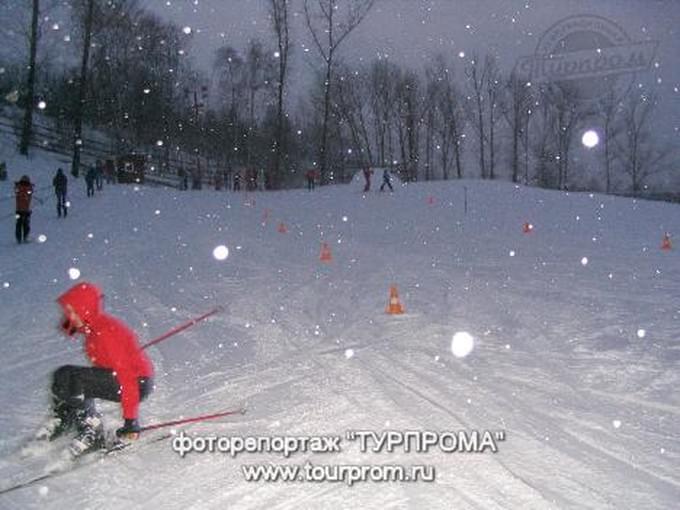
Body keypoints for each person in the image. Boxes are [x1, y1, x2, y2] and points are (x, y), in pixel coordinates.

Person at [35, 282, 154, 456]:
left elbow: (126, 377)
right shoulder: (93, 327)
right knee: (62, 375)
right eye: (69, 312)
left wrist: (131, 422)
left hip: (136, 383)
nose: (70, 316)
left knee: (75, 378)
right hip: (119, 377)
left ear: (86, 311)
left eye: (74, 312)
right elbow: (78, 327)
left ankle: (93, 432)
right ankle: (64, 419)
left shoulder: (105, 333)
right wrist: (71, 323)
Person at [15, 175, 34, 243]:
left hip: (18, 210)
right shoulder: (28, 188)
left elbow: (16, 190)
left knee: (18, 224)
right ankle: (25, 237)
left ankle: (18, 238)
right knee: (26, 224)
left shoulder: (18, 187)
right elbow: (30, 192)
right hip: (26, 210)